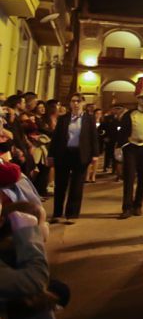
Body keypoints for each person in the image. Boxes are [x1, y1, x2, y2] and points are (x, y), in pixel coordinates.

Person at [48, 93, 99, 223]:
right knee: (60, 185)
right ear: (70, 104)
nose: (75, 104)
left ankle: (72, 214)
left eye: (78, 101)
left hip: (80, 155)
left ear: (83, 103)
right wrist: (51, 155)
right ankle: (57, 213)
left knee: (76, 186)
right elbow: (56, 138)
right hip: (63, 154)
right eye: (73, 101)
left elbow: (93, 138)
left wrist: (95, 155)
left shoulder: (89, 119)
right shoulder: (63, 119)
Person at [117, 78, 143, 218]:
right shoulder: (129, 114)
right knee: (128, 178)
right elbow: (122, 132)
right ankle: (126, 207)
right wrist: (122, 146)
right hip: (132, 148)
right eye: (141, 97)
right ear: (137, 98)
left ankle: (138, 205)